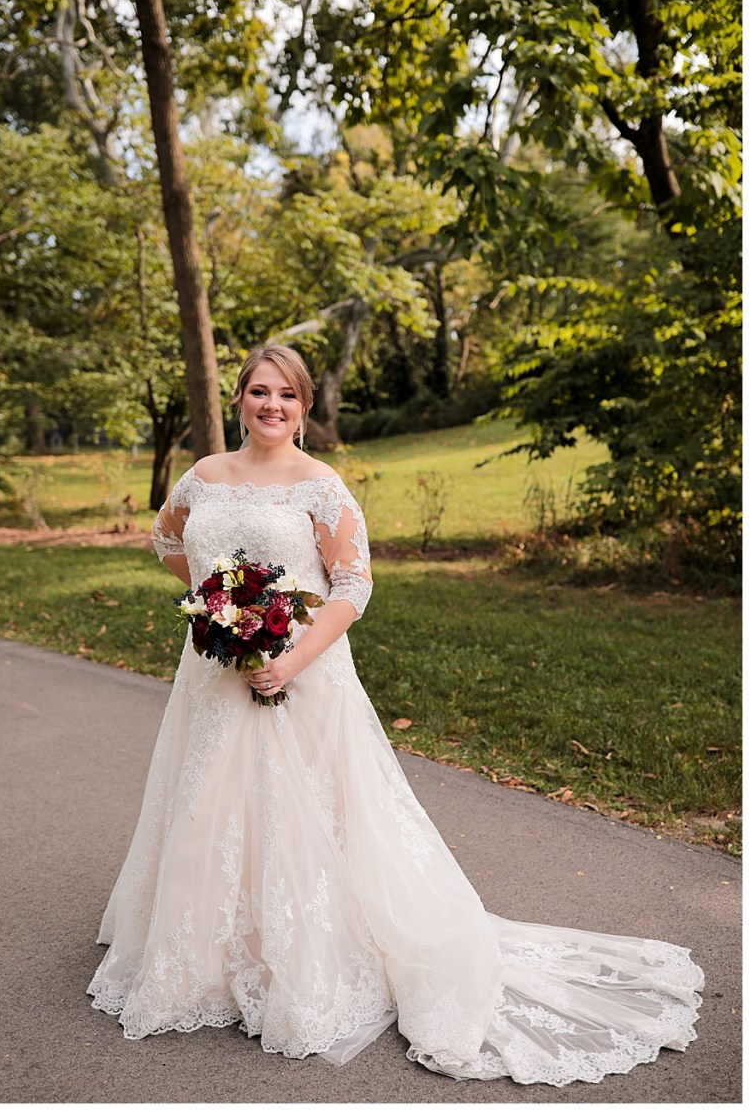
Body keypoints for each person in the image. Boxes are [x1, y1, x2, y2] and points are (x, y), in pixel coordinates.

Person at [88, 345, 703, 1084]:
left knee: (299, 810)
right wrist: (221, 607)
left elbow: (353, 585)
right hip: (215, 674)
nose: (272, 405)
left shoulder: (321, 486)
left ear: (303, 408)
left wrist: (289, 657)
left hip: (302, 674)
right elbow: (166, 539)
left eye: (287, 395)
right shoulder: (204, 475)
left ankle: (302, 954)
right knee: (208, 801)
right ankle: (210, 956)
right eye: (259, 391)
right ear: (239, 398)